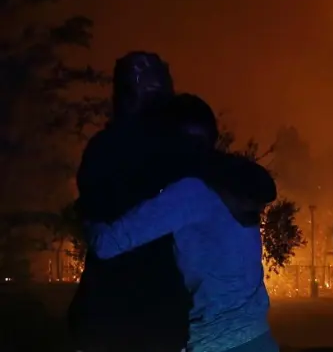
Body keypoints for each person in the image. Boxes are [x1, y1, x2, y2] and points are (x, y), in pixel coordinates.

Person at [85, 93, 279, 352]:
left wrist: (87, 214)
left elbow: (107, 243)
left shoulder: (189, 193)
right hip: (258, 339)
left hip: (219, 343)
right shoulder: (231, 186)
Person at [68, 52, 191, 352]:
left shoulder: (101, 148)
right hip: (156, 315)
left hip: (105, 314)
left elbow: (91, 219)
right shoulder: (175, 150)